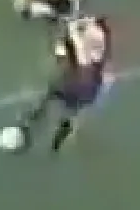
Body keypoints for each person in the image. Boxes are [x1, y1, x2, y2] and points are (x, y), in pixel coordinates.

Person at [12, 11, 113, 154]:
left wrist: (73, 33)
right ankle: (47, 132)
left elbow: (82, 59)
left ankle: (51, 135)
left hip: (82, 85)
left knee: (61, 103)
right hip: (81, 83)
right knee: (57, 100)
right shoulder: (93, 37)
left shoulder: (95, 41)